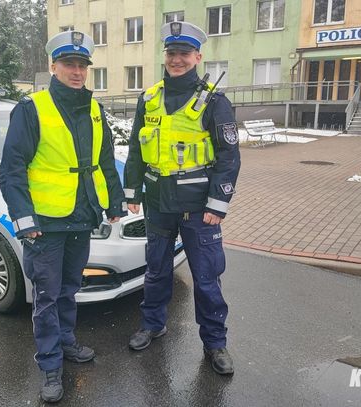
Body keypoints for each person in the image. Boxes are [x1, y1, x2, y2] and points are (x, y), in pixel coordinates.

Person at [0, 30, 126, 403]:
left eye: (82, 65)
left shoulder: (94, 109)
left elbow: (104, 161)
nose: (76, 71)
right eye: (69, 64)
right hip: (46, 224)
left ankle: (66, 342)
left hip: (82, 215)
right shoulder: (31, 109)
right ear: (53, 66)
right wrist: (24, 220)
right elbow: (12, 170)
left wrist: (114, 202)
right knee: (47, 296)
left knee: (71, 288)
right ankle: (50, 364)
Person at [123, 21, 240, 375]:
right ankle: (152, 324)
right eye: (172, 53)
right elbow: (135, 150)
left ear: (197, 56)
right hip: (158, 202)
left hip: (197, 208)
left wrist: (217, 205)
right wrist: (132, 194)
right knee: (156, 270)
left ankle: (215, 343)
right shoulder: (149, 98)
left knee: (206, 278)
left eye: (184, 54)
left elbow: (228, 157)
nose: (177, 60)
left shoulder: (215, 102)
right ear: (165, 56)